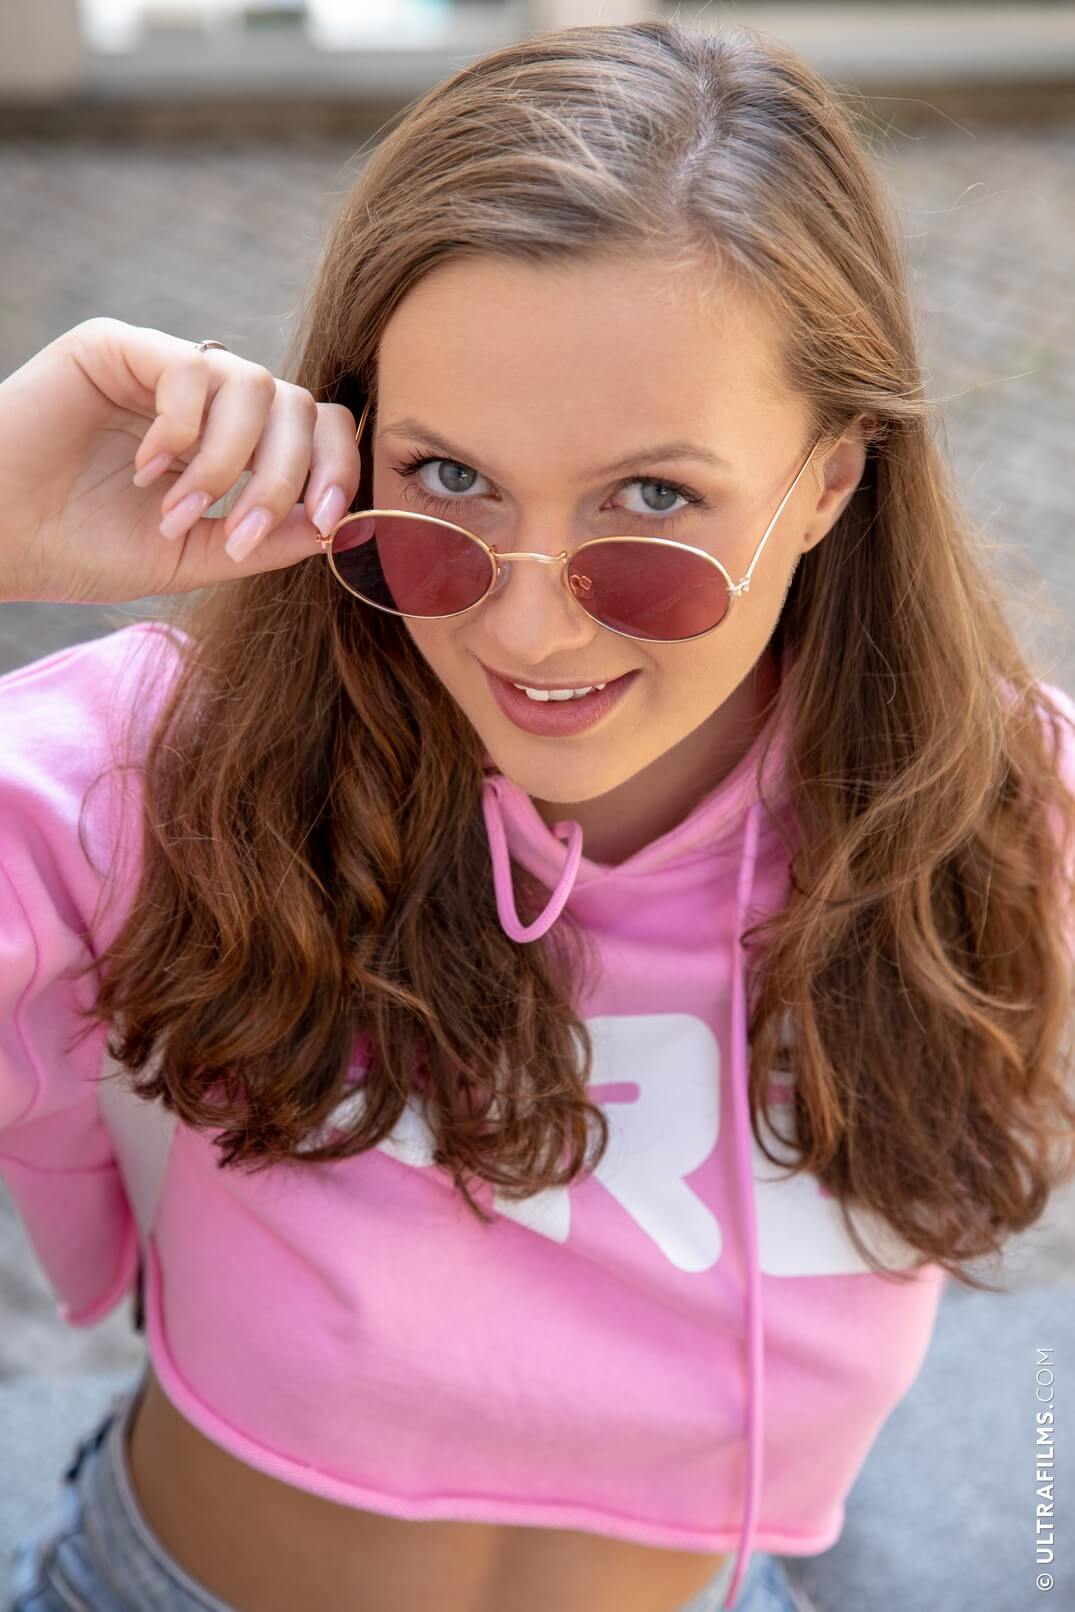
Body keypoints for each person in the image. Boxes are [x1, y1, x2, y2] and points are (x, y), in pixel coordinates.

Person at [1, 16, 1073, 1612]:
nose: (526, 627)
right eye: (448, 482)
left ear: (831, 485)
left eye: (654, 501)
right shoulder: (152, 770)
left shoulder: (1001, 814)